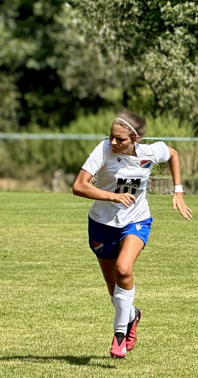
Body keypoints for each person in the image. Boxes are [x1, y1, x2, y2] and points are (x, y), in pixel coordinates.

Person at [72, 111, 192, 358]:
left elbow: (173, 154)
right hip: (102, 223)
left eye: (120, 139)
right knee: (112, 286)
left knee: (124, 269)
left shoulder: (150, 152)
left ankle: (119, 335)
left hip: (136, 221)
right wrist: (113, 196)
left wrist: (177, 191)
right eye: (111, 137)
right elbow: (79, 186)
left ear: (135, 138)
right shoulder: (104, 150)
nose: (114, 142)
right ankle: (132, 315)